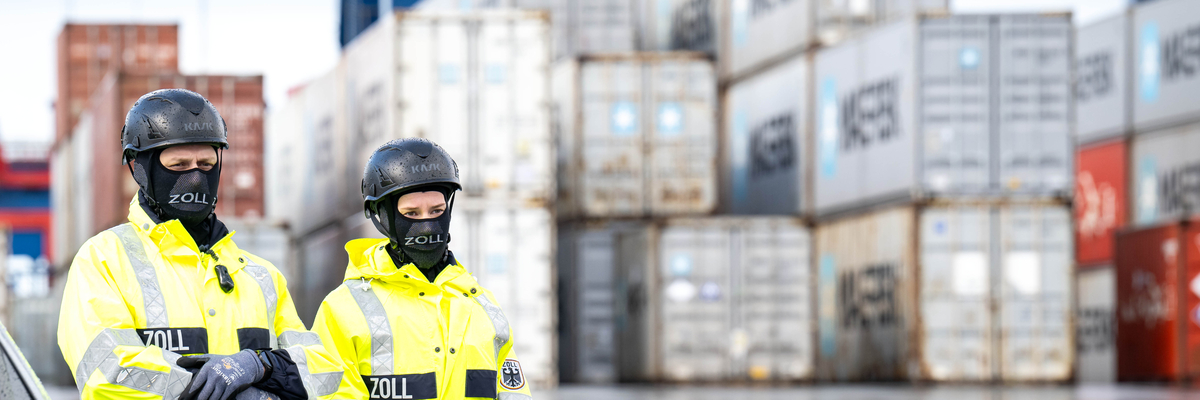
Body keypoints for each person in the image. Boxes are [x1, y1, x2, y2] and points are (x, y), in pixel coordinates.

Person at [57, 89, 356, 400]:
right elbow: (107, 372)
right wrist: (225, 393)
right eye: (179, 165)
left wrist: (263, 364)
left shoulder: (262, 277)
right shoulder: (104, 260)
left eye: (206, 163)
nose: (196, 178)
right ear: (140, 169)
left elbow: (325, 374)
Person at [310, 138, 533, 400]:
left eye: (436, 210)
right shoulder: (342, 310)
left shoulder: (483, 307)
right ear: (383, 216)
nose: (427, 226)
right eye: (412, 213)